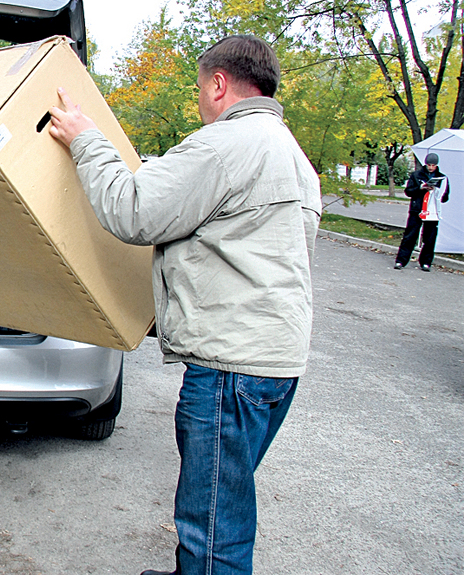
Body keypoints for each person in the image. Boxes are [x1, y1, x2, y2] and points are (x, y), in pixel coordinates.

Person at [47, 35, 321, 575]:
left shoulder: (224, 145)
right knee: (221, 498)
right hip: (275, 363)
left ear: (219, 83)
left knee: (214, 524)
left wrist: (85, 140)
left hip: (230, 368)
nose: (200, 101)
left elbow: (133, 211)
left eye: (199, 89)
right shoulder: (292, 155)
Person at [394, 153, 451, 271]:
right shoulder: (416, 175)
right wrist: (421, 188)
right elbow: (408, 191)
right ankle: (401, 260)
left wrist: (439, 192)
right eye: (429, 165)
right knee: (410, 235)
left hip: (432, 211)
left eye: (433, 165)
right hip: (417, 209)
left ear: (437, 165)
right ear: (426, 164)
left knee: (430, 238)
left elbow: (445, 197)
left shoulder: (442, 178)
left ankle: (426, 262)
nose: (431, 167)